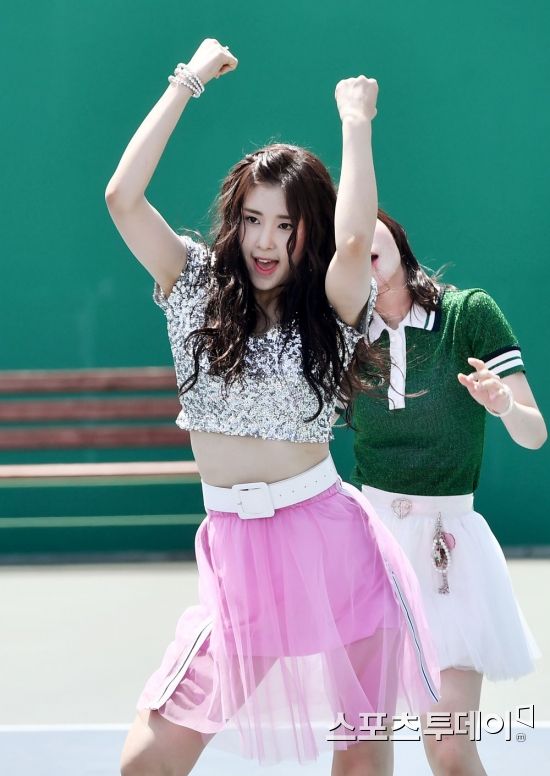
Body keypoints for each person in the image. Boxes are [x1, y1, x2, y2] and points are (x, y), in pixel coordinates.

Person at [106, 39, 440, 775]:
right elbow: (121, 199)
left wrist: (356, 122)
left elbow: (355, 239)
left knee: (361, 761)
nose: (265, 241)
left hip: (335, 550)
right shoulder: (193, 283)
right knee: (146, 761)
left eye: (286, 224)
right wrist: (189, 79)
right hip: (238, 560)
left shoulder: (330, 305)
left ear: (307, 230)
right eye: (254, 219)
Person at [350, 209, 546, 775]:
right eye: (343, 234)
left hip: (448, 554)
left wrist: (503, 404)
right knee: (361, 753)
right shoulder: (338, 333)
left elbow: (534, 433)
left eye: (366, 219)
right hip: (367, 552)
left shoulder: (468, 314)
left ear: (396, 235)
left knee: (450, 749)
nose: (357, 235)